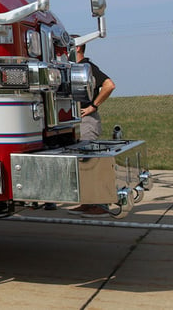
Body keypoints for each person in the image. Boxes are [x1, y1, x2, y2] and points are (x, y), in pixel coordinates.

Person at [69, 36, 116, 217]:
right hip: (76, 122)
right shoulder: (73, 68)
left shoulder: (88, 68)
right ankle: (87, 203)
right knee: (82, 163)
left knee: (91, 162)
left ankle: (101, 205)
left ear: (78, 48)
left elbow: (109, 85)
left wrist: (93, 106)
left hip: (87, 121)